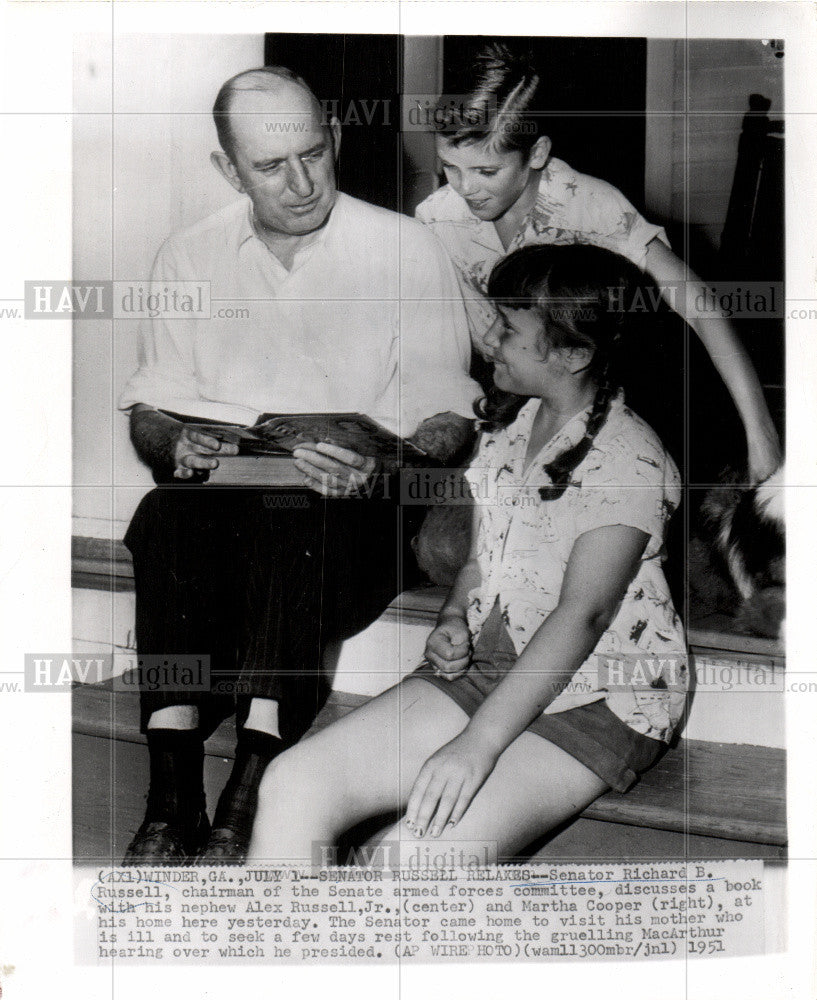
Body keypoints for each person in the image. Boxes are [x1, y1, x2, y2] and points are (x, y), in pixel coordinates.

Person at [119, 66, 480, 864]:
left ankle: (252, 776)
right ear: (228, 170)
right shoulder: (190, 255)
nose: (301, 182)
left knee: (296, 513)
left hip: (365, 510)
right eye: (270, 167)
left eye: (313, 154)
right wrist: (173, 443)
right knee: (162, 514)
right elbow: (150, 408)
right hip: (233, 506)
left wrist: (381, 459)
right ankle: (172, 788)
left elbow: (450, 425)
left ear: (335, 138)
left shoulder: (404, 249)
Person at [248, 243, 688, 865]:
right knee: (293, 785)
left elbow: (582, 615)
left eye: (509, 328)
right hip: (494, 662)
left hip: (601, 694)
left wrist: (476, 745)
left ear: (574, 354)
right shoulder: (511, 428)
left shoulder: (629, 460)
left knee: (411, 863)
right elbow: (487, 558)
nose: (490, 337)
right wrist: (454, 616)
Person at [415, 42, 781, 484]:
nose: (465, 187)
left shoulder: (588, 205)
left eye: (486, 171)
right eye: (450, 167)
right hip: (502, 397)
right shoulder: (436, 217)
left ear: (536, 153)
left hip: (604, 395)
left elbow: (700, 307)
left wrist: (761, 438)